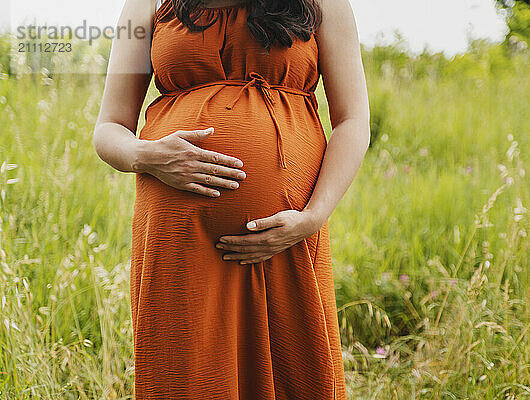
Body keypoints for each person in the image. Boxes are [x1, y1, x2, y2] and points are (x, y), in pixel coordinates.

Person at [92, 0, 370, 398]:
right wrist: (148, 156)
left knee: (293, 371)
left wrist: (312, 217)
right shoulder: (147, 3)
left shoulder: (322, 2)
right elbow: (109, 127)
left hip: (285, 234)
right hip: (179, 237)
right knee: (187, 374)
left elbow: (353, 120)